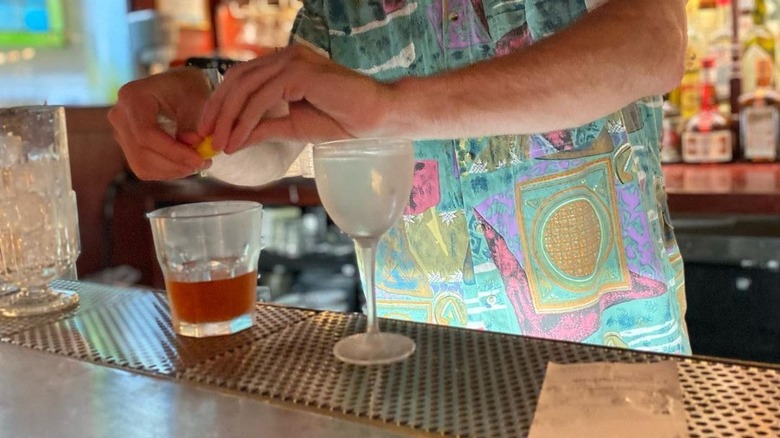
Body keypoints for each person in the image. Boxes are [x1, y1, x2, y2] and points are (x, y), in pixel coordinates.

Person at [109, 0, 691, 354]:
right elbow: (282, 139)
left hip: (609, 359)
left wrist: (390, 105)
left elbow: (652, 40)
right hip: (417, 363)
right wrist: (203, 118)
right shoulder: (336, 11)